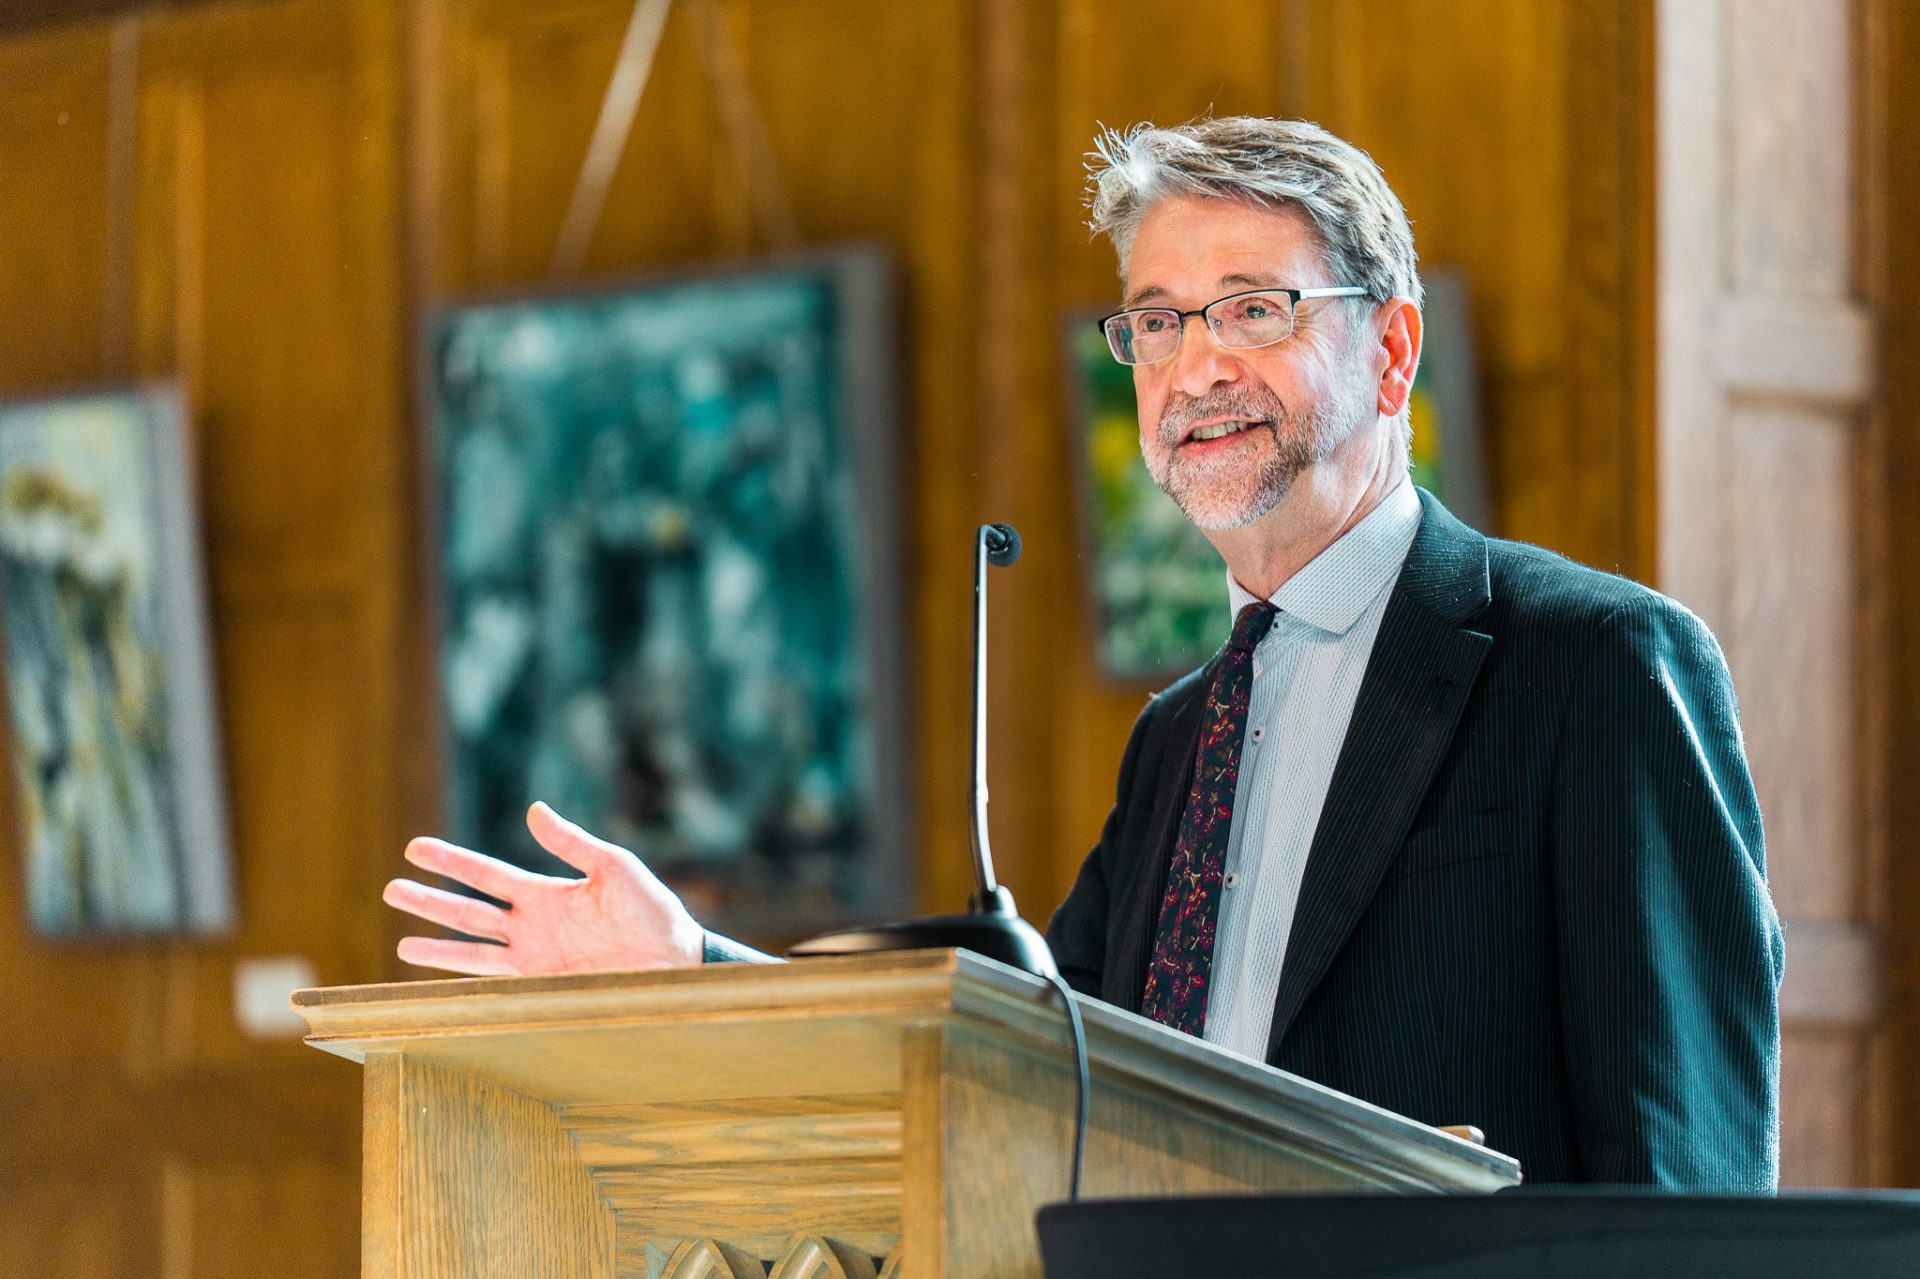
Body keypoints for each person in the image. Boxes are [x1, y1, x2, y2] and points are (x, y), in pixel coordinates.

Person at [383, 117, 1783, 1189]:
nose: (1194, 369)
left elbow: (1687, 1193)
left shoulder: (1598, 668)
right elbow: (1023, 1072)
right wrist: (693, 970)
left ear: (1395, 350)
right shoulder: (1183, 736)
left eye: (1254, 308)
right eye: (1158, 323)